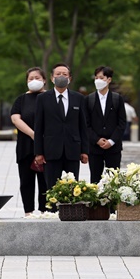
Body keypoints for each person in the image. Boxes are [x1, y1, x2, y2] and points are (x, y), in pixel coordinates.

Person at [34, 63, 89, 194]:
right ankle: (52, 213)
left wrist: (85, 151)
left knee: (73, 187)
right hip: (51, 150)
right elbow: (39, 126)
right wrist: (38, 152)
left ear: (70, 78)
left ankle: (71, 213)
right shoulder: (42, 98)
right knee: (52, 187)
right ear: (52, 78)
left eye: (64, 74)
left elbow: (83, 126)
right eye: (58, 74)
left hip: (73, 150)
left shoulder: (79, 98)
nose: (61, 77)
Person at [11, 67, 48, 216]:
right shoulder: (21, 99)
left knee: (45, 181)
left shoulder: (50, 98)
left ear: (44, 80)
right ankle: (28, 212)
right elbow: (15, 119)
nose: (34, 81)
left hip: (47, 147)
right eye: (30, 78)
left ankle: (46, 210)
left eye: (37, 78)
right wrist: (34, 135)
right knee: (26, 181)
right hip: (26, 146)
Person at [84, 66, 126, 184]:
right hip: (94, 148)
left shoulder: (117, 99)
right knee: (95, 180)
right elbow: (85, 124)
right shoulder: (89, 100)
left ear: (109, 79)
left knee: (113, 180)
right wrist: (96, 140)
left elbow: (122, 123)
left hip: (113, 148)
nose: (98, 80)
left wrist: (112, 141)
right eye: (96, 78)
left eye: (101, 78)